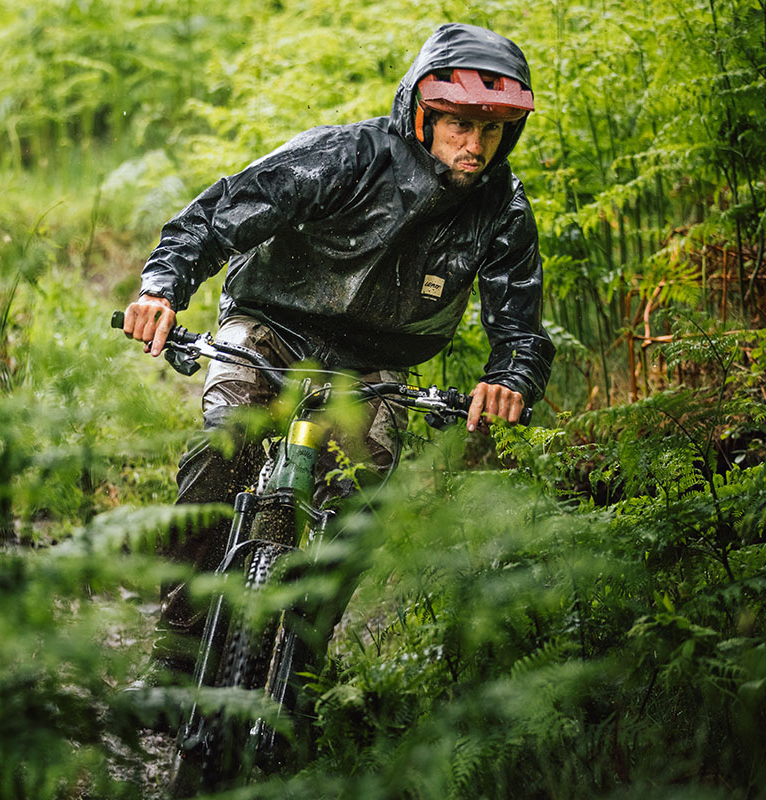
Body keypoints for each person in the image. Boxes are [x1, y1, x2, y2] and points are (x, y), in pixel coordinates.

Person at [122, 23, 555, 677]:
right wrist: (162, 289)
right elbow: (222, 213)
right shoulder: (347, 156)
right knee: (222, 447)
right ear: (423, 114)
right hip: (271, 325)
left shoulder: (503, 208)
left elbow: (519, 326)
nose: (475, 145)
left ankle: (298, 667)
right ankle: (177, 643)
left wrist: (512, 378)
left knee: (357, 504)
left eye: (491, 130)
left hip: (378, 362)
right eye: (460, 125)